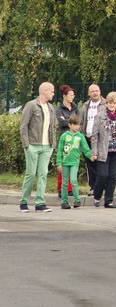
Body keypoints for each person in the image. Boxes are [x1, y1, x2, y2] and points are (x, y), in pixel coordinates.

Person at [19, 82, 57, 212]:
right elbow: (23, 126)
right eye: (51, 91)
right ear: (44, 91)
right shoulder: (31, 105)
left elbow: (53, 127)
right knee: (30, 173)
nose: (53, 93)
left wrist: (53, 144)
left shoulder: (51, 107)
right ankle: (23, 201)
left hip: (47, 146)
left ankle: (40, 202)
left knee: (43, 174)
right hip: (33, 145)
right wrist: (26, 144)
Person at [89, 91, 116, 209]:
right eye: (110, 103)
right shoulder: (100, 115)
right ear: (107, 103)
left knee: (112, 176)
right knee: (102, 175)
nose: (112, 105)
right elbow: (94, 135)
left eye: (114, 103)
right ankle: (97, 196)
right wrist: (94, 152)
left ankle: (109, 201)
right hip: (103, 150)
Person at [55, 114, 92, 209]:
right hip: (64, 162)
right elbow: (59, 150)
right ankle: (64, 202)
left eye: (78, 125)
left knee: (74, 180)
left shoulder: (80, 137)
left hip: (74, 162)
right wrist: (59, 163)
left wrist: (91, 156)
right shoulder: (64, 136)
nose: (77, 127)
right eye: (75, 125)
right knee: (64, 182)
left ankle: (77, 200)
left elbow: (85, 149)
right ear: (69, 125)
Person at [54, 84, 78, 198]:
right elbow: (61, 122)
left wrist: (68, 120)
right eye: (71, 95)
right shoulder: (59, 109)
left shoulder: (75, 107)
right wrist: (71, 121)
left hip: (74, 139)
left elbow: (79, 121)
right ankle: (61, 188)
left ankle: (70, 188)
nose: (73, 97)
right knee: (63, 164)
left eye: (73, 95)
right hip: (64, 138)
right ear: (64, 96)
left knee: (72, 162)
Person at [80, 84, 105, 197]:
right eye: (92, 91)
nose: (95, 93)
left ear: (100, 92)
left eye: (97, 91)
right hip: (87, 137)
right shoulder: (85, 106)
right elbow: (81, 122)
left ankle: (102, 187)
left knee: (101, 163)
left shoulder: (105, 104)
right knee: (90, 163)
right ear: (89, 93)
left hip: (100, 139)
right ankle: (93, 187)